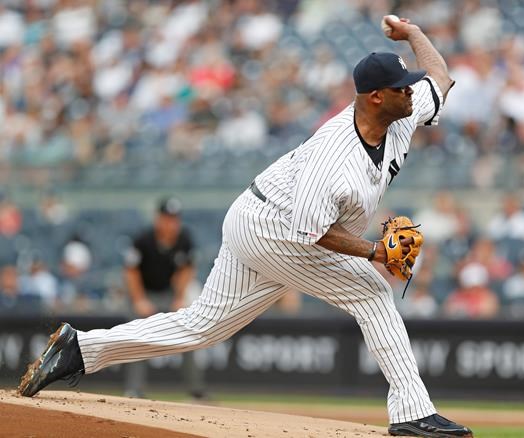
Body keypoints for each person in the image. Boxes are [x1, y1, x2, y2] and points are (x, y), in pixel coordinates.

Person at [18, 15, 472, 438]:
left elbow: (442, 79)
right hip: (274, 227)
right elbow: (311, 234)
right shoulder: (333, 158)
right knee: (371, 291)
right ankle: (412, 411)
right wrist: (375, 253)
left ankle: (81, 350)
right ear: (376, 96)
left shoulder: (402, 114)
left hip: (263, 220)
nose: (412, 93)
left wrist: (412, 34)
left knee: (202, 327)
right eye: (401, 89)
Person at [120, 196, 204, 398]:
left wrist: (179, 297)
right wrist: (140, 300)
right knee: (138, 338)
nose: (171, 223)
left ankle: (196, 391)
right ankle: (134, 390)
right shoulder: (143, 239)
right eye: (167, 218)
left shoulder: (184, 239)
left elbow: (187, 270)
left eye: (175, 219)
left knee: (188, 336)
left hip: (168, 294)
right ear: (158, 219)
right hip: (146, 294)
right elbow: (131, 272)